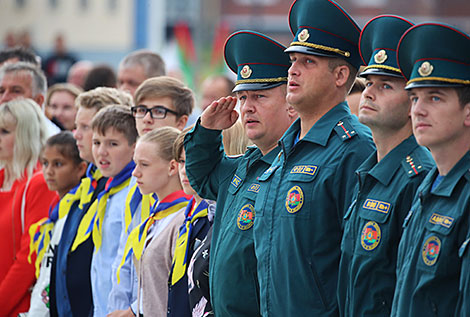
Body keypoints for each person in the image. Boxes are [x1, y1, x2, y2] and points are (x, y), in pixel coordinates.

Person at [251, 0, 376, 315]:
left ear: (340, 75)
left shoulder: (355, 149)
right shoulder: (286, 148)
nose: (292, 70)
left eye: (308, 62)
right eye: (293, 60)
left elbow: (361, 268)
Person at [185, 30, 297, 316]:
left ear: (291, 104)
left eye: (260, 96)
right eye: (243, 97)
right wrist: (207, 131)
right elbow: (202, 178)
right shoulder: (244, 165)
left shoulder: (297, 165)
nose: (247, 107)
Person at [337, 15, 435, 316]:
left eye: (386, 86)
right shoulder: (368, 170)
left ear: (413, 104)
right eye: (369, 82)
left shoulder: (416, 176)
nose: (368, 92)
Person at [391, 22, 470, 316]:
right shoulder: (429, 185)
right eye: (414, 98)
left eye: (434, 97)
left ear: (468, 111)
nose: (418, 110)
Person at [107, 76, 194, 315]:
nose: (146, 118)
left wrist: (134, 310)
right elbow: (124, 256)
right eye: (141, 110)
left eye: (158, 111)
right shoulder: (135, 186)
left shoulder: (185, 202)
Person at [50, 87, 133, 317]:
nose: (76, 134)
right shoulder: (89, 184)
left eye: (85, 127)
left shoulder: (123, 189)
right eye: (78, 126)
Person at [70, 105, 137, 317]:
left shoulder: (134, 194)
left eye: (113, 144)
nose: (101, 152)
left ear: (135, 147)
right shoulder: (107, 192)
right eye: (97, 143)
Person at [118, 127, 191, 316]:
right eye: (135, 164)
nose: (135, 173)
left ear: (172, 167)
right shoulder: (157, 216)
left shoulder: (183, 218)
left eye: (144, 165)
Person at [0, 98, 58, 316]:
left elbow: (30, 257)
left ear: (26, 134)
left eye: (4, 131)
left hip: (19, 307)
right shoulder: (4, 178)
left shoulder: (41, 182)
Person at [28, 131, 87, 316]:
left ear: (80, 168)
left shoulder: (78, 214)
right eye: (45, 163)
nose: (49, 171)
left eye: (58, 164)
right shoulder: (56, 211)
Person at [167, 129, 212, 316]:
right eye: (182, 161)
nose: (185, 170)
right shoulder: (188, 216)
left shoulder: (213, 220)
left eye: (194, 161)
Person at [0, 61, 61, 136]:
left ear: (38, 100)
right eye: (1, 91)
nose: (4, 98)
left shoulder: (52, 142)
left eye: (16, 91)